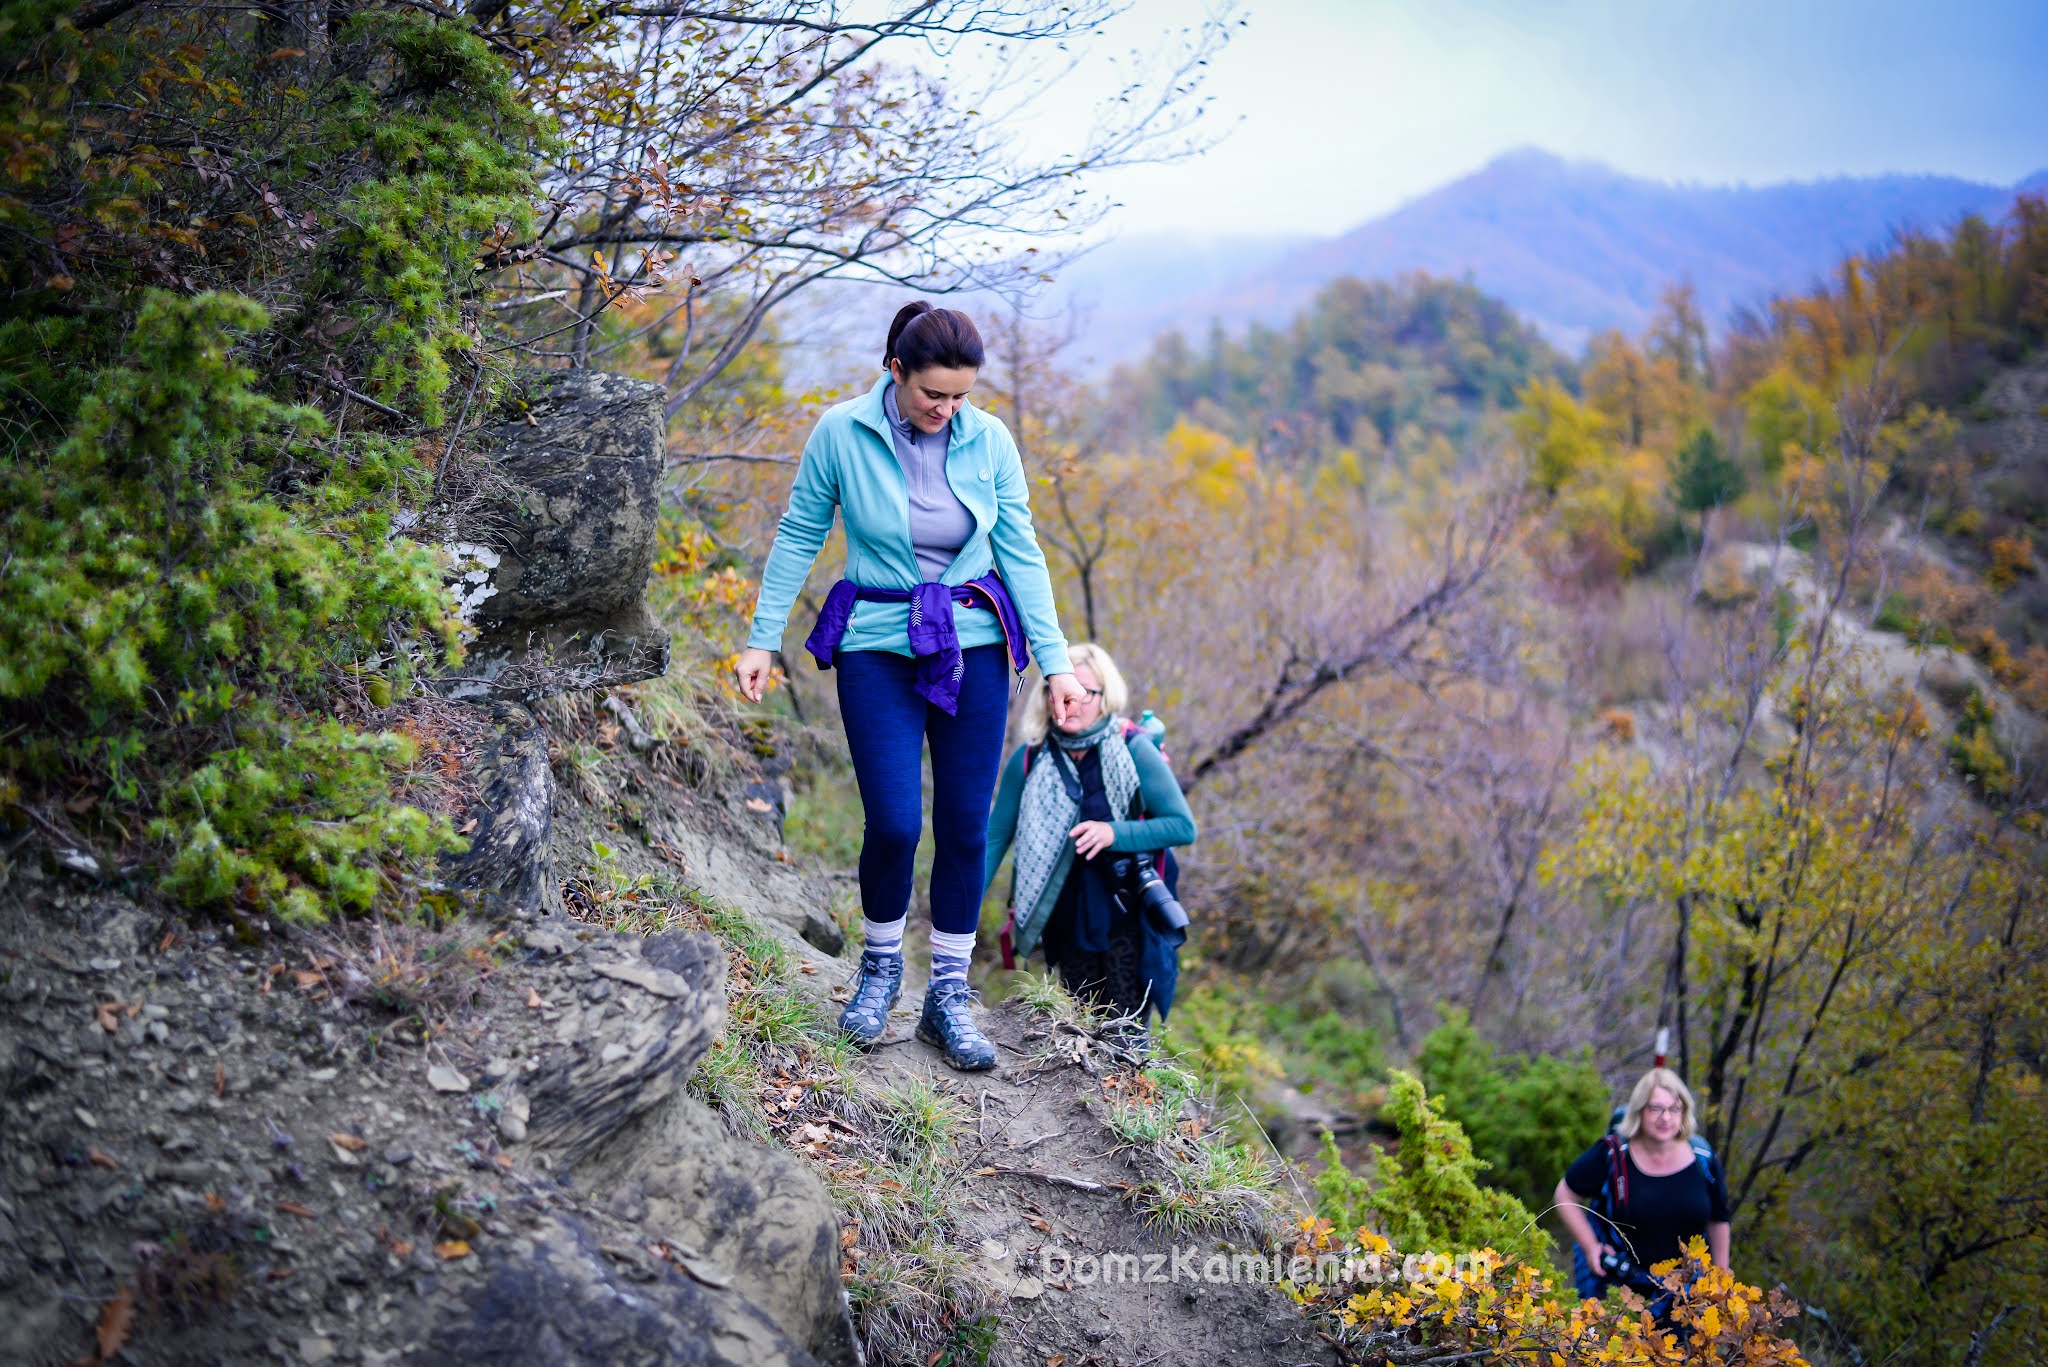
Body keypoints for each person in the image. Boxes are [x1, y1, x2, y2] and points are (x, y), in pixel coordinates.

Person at [734, 302, 1085, 1072]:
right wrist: (763, 638)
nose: (948, 410)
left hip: (977, 647)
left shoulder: (989, 440)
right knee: (893, 823)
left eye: (960, 396)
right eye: (934, 394)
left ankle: (948, 996)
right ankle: (880, 970)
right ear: (896, 371)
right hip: (878, 646)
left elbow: (1020, 550)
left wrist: (1057, 663)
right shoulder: (840, 432)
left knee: (964, 826)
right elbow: (800, 530)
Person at [983, 643, 1195, 1029]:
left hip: (1129, 911)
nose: (1071, 701)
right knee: (1080, 1024)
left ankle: (1131, 1089)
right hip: (1062, 914)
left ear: (1103, 697)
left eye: (1084, 693)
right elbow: (994, 839)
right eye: (1059, 690)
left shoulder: (1133, 749)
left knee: (1125, 1030)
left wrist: (1113, 832)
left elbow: (1182, 826)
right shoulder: (1030, 759)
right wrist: (957, 914)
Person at [1555, 1068, 1731, 1302]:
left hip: (1685, 1294)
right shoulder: (1613, 1154)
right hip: (1617, 1288)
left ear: (1684, 1111)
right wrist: (1591, 1246)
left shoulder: (1702, 1157)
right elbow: (1565, 1194)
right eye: (1656, 1108)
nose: (1665, 1118)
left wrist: (1720, 1278)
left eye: (1674, 1109)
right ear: (1639, 1111)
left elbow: (1718, 1220)